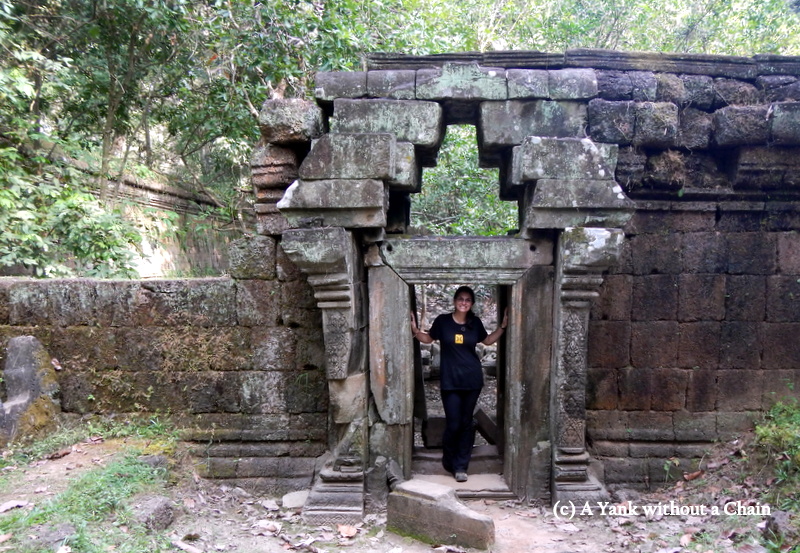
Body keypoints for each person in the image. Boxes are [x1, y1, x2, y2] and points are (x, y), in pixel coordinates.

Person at [410, 286, 508, 483]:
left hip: (472, 380)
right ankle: (449, 460)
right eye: (461, 299)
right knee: (453, 423)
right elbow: (428, 339)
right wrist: (414, 330)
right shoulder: (443, 322)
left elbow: (488, 341)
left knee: (465, 423)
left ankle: (461, 466)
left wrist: (503, 326)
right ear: (455, 301)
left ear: (471, 303)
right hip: (450, 382)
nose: (464, 302)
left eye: (468, 300)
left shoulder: (475, 323)